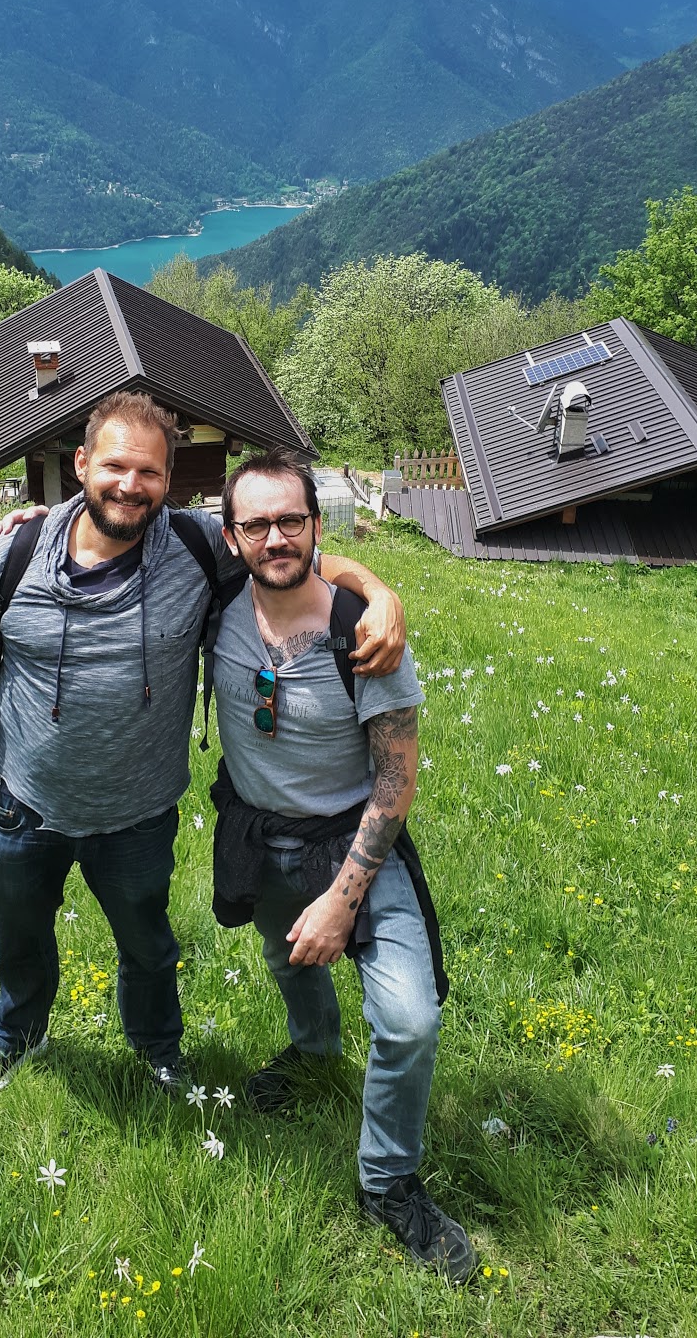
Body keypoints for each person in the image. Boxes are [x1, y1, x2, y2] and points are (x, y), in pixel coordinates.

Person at [0, 391, 406, 1098]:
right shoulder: (12, 559)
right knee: (18, 941)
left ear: (168, 480)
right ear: (80, 465)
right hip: (24, 805)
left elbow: (285, 551)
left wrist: (378, 592)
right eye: (115, 467)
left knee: (148, 948)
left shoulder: (192, 547)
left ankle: (159, 1049)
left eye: (150, 472)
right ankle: (17, 1037)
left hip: (139, 813)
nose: (131, 485)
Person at [207, 446, 476, 1283]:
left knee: (407, 1021)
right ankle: (315, 1050)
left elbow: (396, 786)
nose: (275, 537)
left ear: (317, 528)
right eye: (257, 524)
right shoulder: (216, 595)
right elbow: (118, 509)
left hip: (354, 841)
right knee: (284, 958)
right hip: (255, 832)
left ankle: (388, 1181)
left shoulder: (361, 631)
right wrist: (29, 520)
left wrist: (340, 899)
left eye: (293, 519)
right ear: (229, 537)